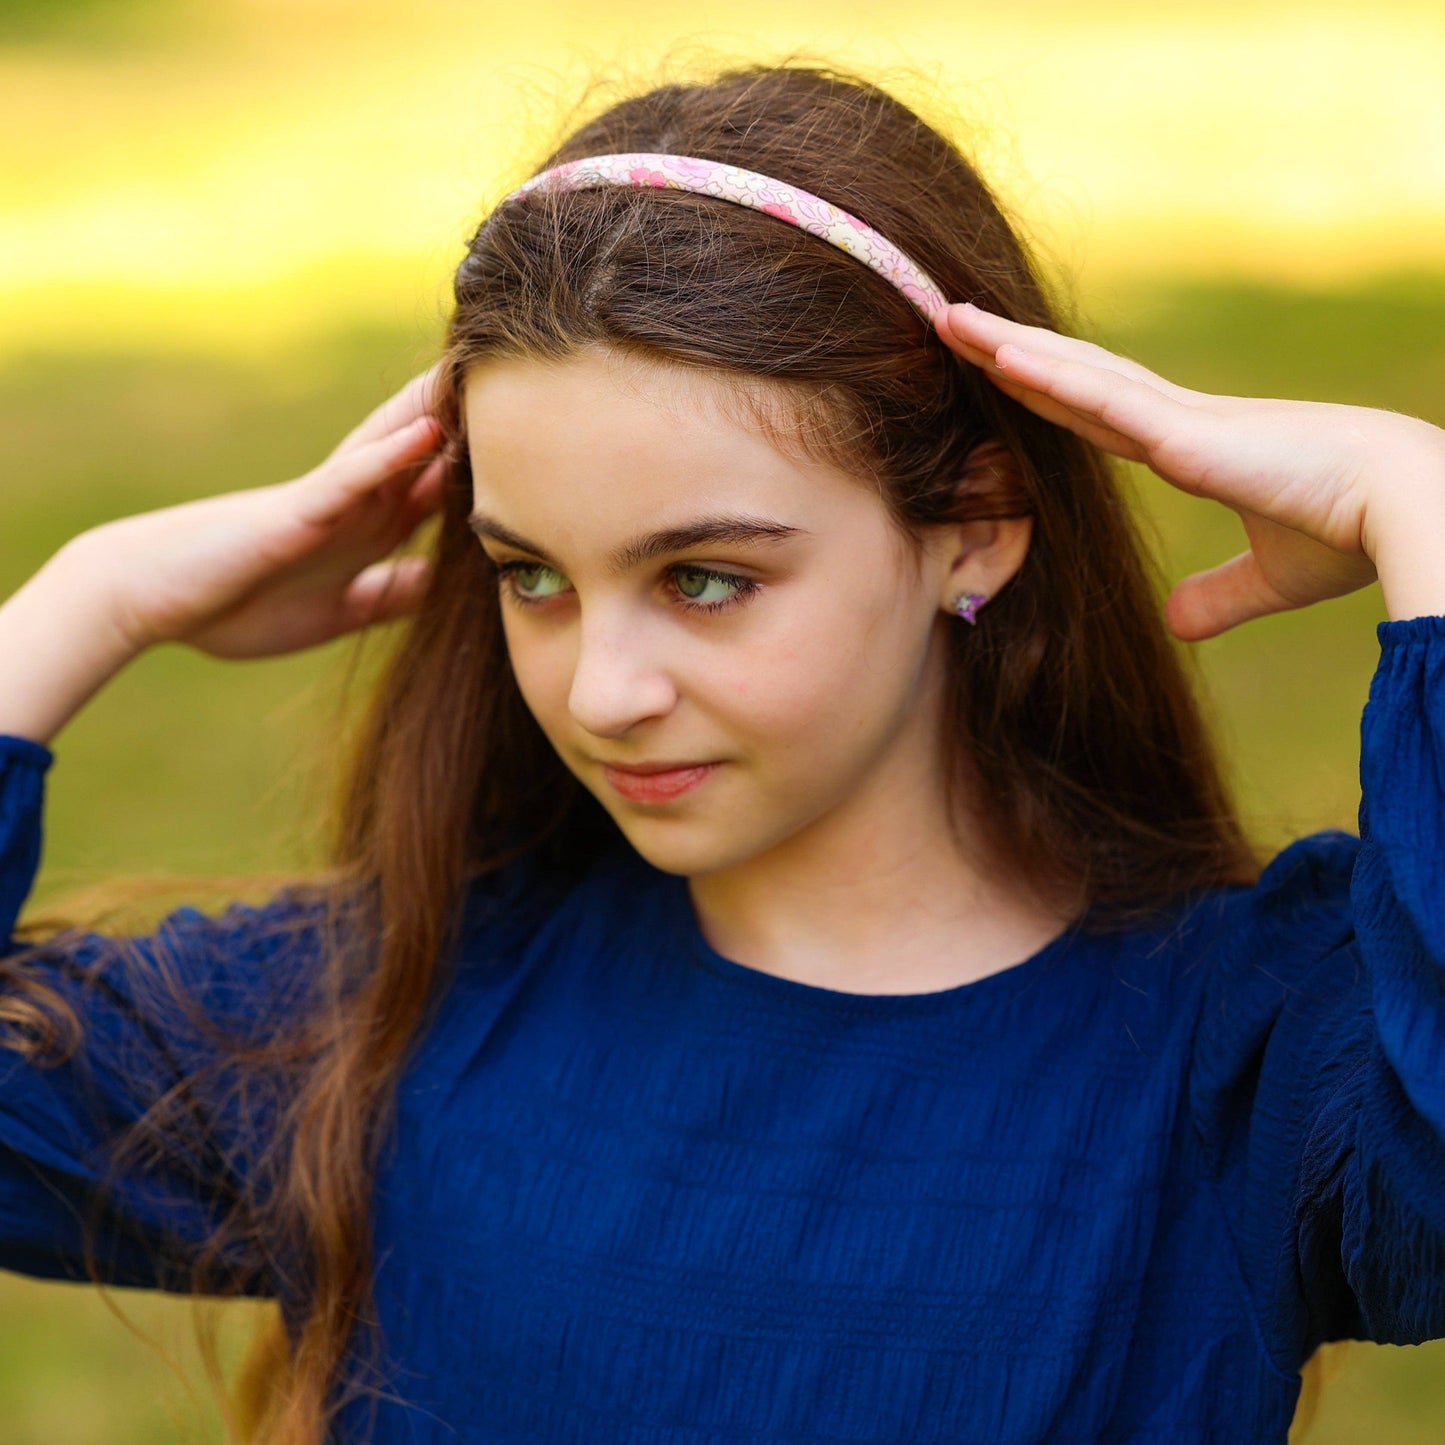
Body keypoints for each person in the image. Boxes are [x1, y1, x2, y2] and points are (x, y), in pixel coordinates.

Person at [1, 58, 1442, 1445]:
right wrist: (88, 599)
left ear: (974, 525)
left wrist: (1413, 494)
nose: (603, 689)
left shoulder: (1248, 1064)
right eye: (530, 575)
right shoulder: (384, 1009)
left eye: (702, 577)